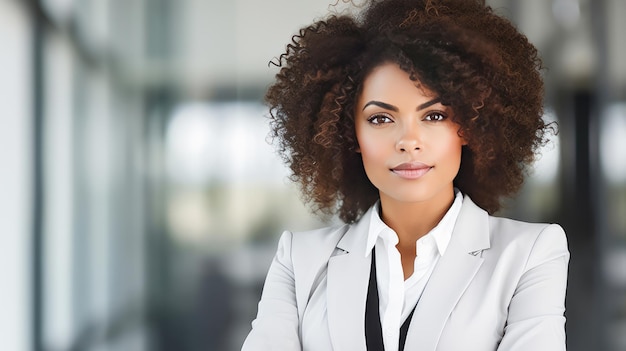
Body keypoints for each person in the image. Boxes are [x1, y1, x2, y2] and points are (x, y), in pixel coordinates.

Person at [242, 0, 569, 350]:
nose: (409, 142)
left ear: (471, 127)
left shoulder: (528, 255)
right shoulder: (300, 260)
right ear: (349, 134)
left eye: (435, 116)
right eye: (381, 119)